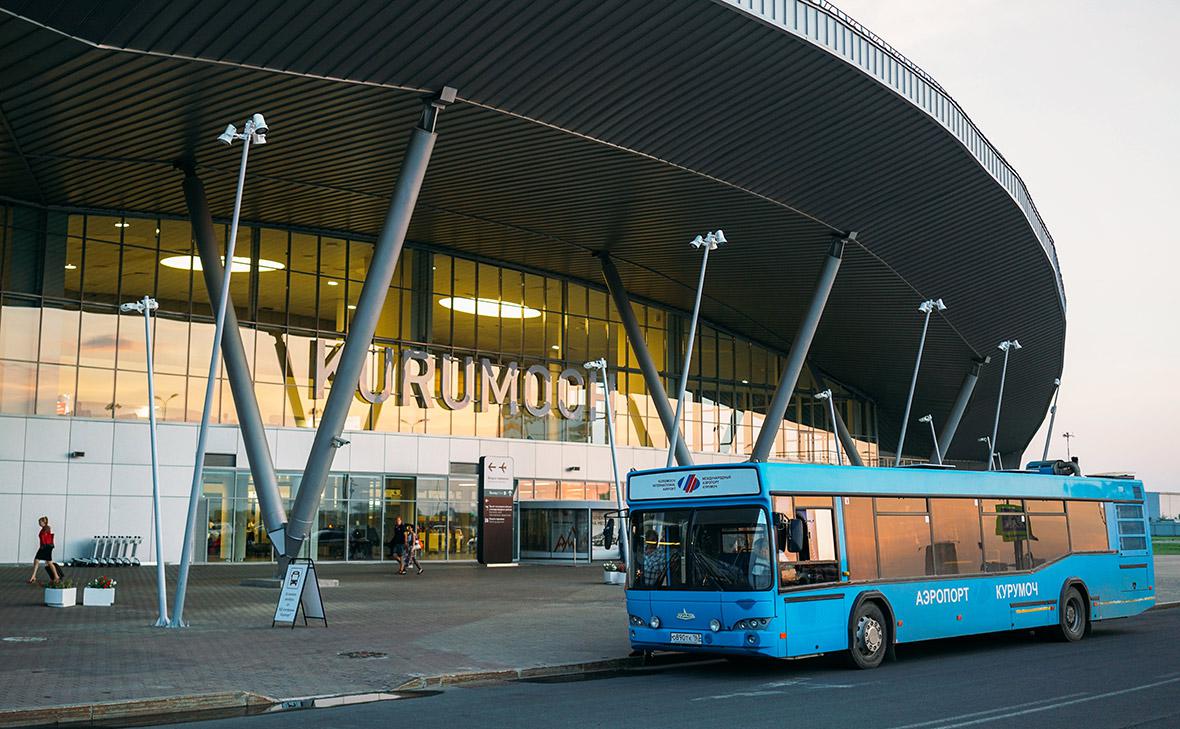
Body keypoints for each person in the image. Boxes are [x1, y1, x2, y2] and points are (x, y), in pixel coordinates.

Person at [28, 516, 61, 584]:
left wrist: (45, 534)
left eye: (40, 522)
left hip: (45, 547)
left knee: (45, 561)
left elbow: (45, 535)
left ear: (44, 522)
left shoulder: (46, 528)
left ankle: (56, 576)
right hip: (45, 547)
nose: (39, 523)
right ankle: (33, 576)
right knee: (40, 561)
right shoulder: (44, 528)